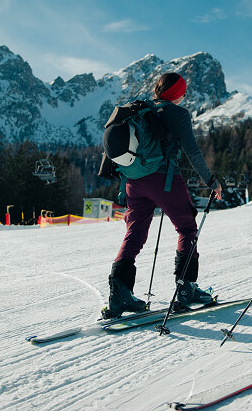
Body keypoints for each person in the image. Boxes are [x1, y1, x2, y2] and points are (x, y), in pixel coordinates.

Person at [103, 72, 223, 319]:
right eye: (183, 92)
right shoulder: (178, 114)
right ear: (177, 93)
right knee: (187, 228)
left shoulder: (139, 109)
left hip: (133, 182)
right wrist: (211, 182)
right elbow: (192, 151)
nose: (184, 96)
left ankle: (119, 294)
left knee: (134, 233)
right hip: (164, 180)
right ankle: (186, 289)